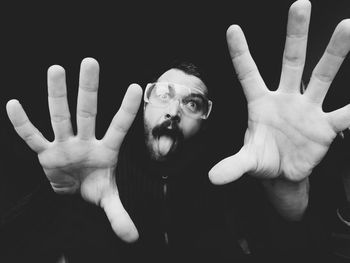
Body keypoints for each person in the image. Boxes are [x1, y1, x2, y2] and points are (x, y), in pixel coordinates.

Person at [1, 0, 350, 262]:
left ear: (204, 120)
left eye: (193, 104)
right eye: (164, 94)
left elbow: (303, 251)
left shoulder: (230, 175)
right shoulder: (102, 171)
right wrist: (60, 196)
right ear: (144, 104)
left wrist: (290, 195)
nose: (173, 110)